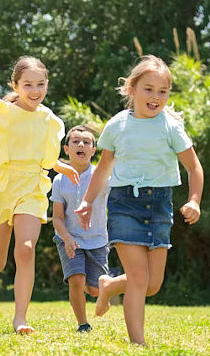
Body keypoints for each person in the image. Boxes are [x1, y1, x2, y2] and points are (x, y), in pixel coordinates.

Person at [75, 55, 203, 345]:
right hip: (124, 204)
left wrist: (194, 200)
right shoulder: (118, 125)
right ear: (132, 90)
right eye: (148, 89)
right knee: (138, 277)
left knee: (152, 285)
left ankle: (108, 285)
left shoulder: (170, 126)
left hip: (160, 205)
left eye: (162, 91)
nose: (155, 97)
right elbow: (104, 168)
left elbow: (194, 167)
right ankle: (138, 344)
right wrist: (87, 201)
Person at [0, 56, 79, 334]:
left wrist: (61, 165)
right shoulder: (2, 112)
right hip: (1, 185)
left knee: (25, 249)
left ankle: (20, 318)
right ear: (15, 85)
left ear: (47, 84)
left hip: (31, 186)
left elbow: (46, 157)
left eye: (40, 84)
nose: (35, 90)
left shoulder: (49, 120)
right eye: (28, 84)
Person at [51, 125, 109, 333]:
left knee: (94, 290)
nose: (81, 145)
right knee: (76, 280)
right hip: (69, 238)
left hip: (98, 239)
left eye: (87, 142)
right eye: (75, 141)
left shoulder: (103, 176)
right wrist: (66, 237)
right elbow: (57, 218)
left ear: (94, 150)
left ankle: (105, 291)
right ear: (66, 149)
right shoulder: (59, 180)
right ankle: (83, 324)